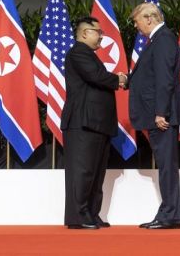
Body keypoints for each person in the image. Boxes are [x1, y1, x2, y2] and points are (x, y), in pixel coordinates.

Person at [61, 16, 127, 229]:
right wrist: (120, 79)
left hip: (97, 123)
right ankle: (78, 217)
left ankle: (91, 214)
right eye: (98, 32)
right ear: (84, 33)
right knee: (83, 171)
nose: (101, 36)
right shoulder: (79, 52)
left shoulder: (88, 54)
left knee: (96, 173)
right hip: (82, 122)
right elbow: (96, 76)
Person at [127, 2, 180, 229]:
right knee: (165, 165)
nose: (136, 25)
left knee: (166, 166)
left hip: (160, 116)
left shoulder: (164, 40)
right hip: (157, 113)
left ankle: (169, 215)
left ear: (149, 19)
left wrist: (161, 112)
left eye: (137, 21)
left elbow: (164, 79)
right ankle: (171, 214)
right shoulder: (159, 40)